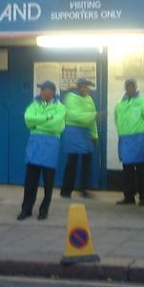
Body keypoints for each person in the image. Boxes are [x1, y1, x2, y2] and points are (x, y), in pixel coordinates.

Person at [18, 80, 66, 221]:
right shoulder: (33, 105)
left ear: (51, 91)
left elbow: (56, 126)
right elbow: (28, 119)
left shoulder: (60, 107)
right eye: (41, 89)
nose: (41, 92)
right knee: (30, 182)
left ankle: (43, 211)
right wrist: (47, 118)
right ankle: (26, 210)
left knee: (48, 182)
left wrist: (37, 124)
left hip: (50, 147)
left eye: (44, 89)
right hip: (35, 146)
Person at [114, 78, 144, 206]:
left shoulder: (143, 103)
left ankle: (143, 197)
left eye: (131, 86)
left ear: (136, 87)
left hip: (138, 140)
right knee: (127, 171)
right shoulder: (119, 104)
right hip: (125, 141)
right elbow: (117, 119)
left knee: (141, 171)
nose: (129, 88)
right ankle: (129, 196)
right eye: (127, 86)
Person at [60, 77, 99, 199]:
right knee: (72, 162)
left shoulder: (89, 99)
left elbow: (92, 121)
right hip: (74, 132)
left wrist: (94, 135)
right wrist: (94, 115)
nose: (88, 89)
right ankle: (66, 190)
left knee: (87, 162)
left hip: (86, 133)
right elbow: (74, 116)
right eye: (86, 86)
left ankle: (84, 189)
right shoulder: (70, 98)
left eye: (88, 86)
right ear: (79, 86)